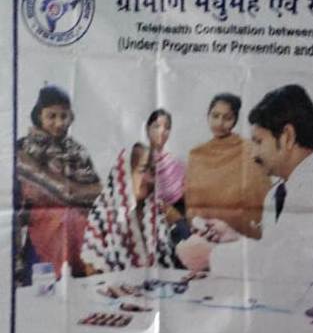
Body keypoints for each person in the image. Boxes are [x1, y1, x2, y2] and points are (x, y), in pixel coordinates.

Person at [176, 84, 313, 319]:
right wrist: (235, 238)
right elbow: (275, 253)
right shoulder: (276, 194)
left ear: (287, 137)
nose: (253, 154)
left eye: (258, 141)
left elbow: (295, 266)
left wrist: (213, 256)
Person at [15, 84, 101, 281]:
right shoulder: (24, 148)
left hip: (78, 219)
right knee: (64, 219)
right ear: (39, 116)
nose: (59, 123)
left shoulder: (77, 150)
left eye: (64, 116)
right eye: (51, 116)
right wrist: (68, 193)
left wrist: (73, 195)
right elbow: (28, 193)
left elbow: (96, 191)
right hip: (39, 221)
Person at [183, 92, 270, 240]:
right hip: (204, 233)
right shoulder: (197, 154)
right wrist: (199, 223)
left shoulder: (249, 150)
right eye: (215, 116)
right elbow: (192, 203)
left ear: (235, 120)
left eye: (227, 118)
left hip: (240, 235)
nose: (219, 123)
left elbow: (260, 195)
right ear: (208, 116)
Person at [80, 143, 176, 274]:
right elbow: (90, 264)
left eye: (152, 171)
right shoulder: (103, 209)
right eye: (142, 170)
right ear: (125, 172)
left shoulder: (158, 209)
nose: (149, 179)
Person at [146, 107, 186, 214]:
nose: (162, 131)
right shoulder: (138, 161)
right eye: (157, 126)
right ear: (148, 128)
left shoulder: (177, 165)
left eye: (167, 128)